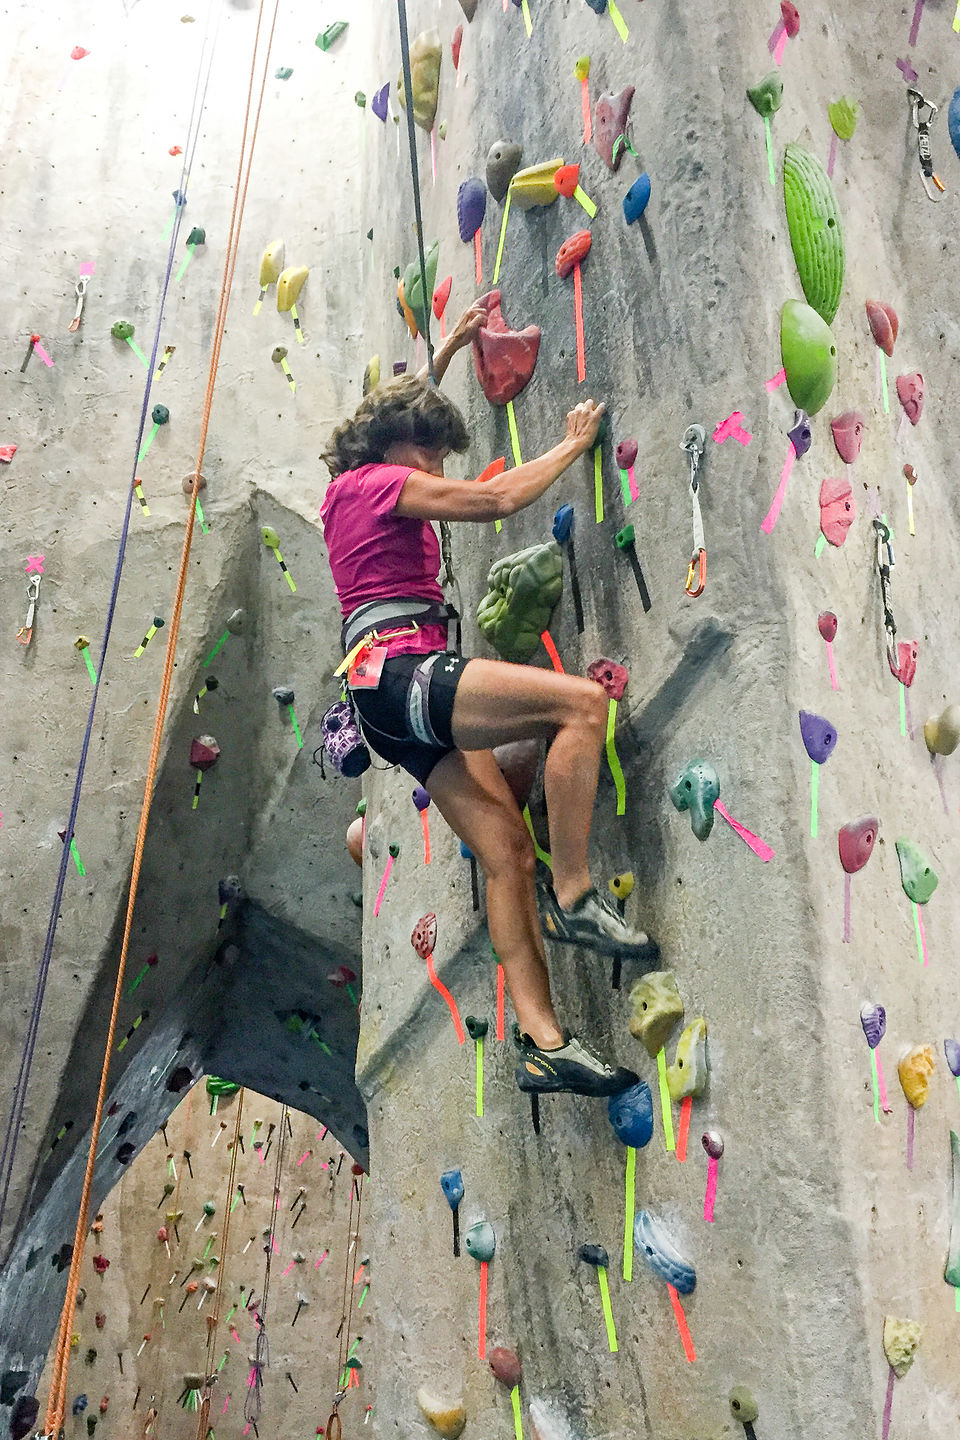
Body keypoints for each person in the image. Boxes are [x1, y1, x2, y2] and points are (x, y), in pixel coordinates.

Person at [320, 302, 658, 1099]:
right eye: (427, 456)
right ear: (394, 451)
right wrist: (573, 445)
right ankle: (573, 894)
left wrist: (449, 348)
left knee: (505, 852)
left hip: (383, 703)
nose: (433, 472)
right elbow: (494, 502)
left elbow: (400, 414)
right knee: (578, 708)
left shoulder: (347, 489)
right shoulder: (382, 483)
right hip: (402, 671)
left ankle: (544, 1043)